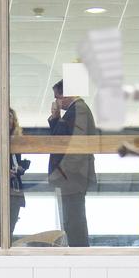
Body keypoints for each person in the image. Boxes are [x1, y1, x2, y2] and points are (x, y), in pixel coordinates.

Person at [47, 79, 97, 247]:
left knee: (74, 219)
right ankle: (77, 251)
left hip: (73, 176)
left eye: (58, 97)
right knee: (70, 219)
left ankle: (80, 253)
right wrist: (55, 119)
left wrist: (63, 172)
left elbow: (77, 145)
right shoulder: (73, 111)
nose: (57, 102)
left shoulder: (79, 110)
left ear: (66, 94)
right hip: (71, 175)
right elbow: (60, 139)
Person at [0, 107, 29, 244]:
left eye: (11, 117)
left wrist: (21, 167)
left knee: (9, 228)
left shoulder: (17, 139)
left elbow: (16, 162)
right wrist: (3, 173)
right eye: (6, 117)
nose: (9, 120)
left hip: (15, 189)